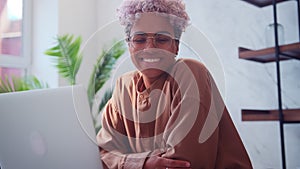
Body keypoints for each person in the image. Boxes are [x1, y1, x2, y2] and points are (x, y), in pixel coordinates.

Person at [97, 0, 253, 168]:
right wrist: (145, 163)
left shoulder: (189, 73)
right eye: (140, 39)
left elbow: (180, 163)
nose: (150, 47)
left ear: (176, 46)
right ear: (129, 45)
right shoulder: (124, 86)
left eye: (162, 39)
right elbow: (102, 156)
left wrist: (127, 162)